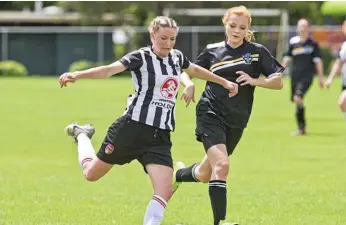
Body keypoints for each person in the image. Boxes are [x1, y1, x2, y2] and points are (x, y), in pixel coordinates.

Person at [58, 16, 238, 225]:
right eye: (163, 38)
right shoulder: (141, 57)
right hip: (131, 129)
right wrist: (77, 74)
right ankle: (82, 134)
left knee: (164, 190)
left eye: (172, 39)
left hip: (159, 136)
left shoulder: (176, 57)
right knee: (91, 174)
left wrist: (223, 81)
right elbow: (109, 70)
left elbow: (194, 70)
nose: (168, 43)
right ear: (152, 35)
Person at [173, 6, 284, 225]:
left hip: (237, 120)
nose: (236, 30)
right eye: (232, 25)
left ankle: (178, 175)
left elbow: (278, 81)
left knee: (206, 173)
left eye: (242, 27)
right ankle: (220, 222)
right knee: (222, 166)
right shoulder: (212, 50)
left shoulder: (257, 51)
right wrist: (188, 86)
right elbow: (187, 71)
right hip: (210, 112)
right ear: (225, 24)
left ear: (247, 29)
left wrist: (256, 81)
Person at [281, 18, 325, 135]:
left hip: (307, 76)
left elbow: (318, 61)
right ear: (297, 28)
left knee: (298, 98)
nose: (303, 28)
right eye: (300, 26)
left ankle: (301, 127)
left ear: (309, 28)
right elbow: (287, 59)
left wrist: (321, 78)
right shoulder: (293, 43)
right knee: (297, 100)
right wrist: (279, 73)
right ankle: (301, 128)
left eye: (305, 26)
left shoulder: (313, 44)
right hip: (295, 76)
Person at [324, 19, 346, 119]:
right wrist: (330, 79)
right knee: (343, 106)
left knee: (342, 103)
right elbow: (338, 63)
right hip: (344, 83)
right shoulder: (344, 46)